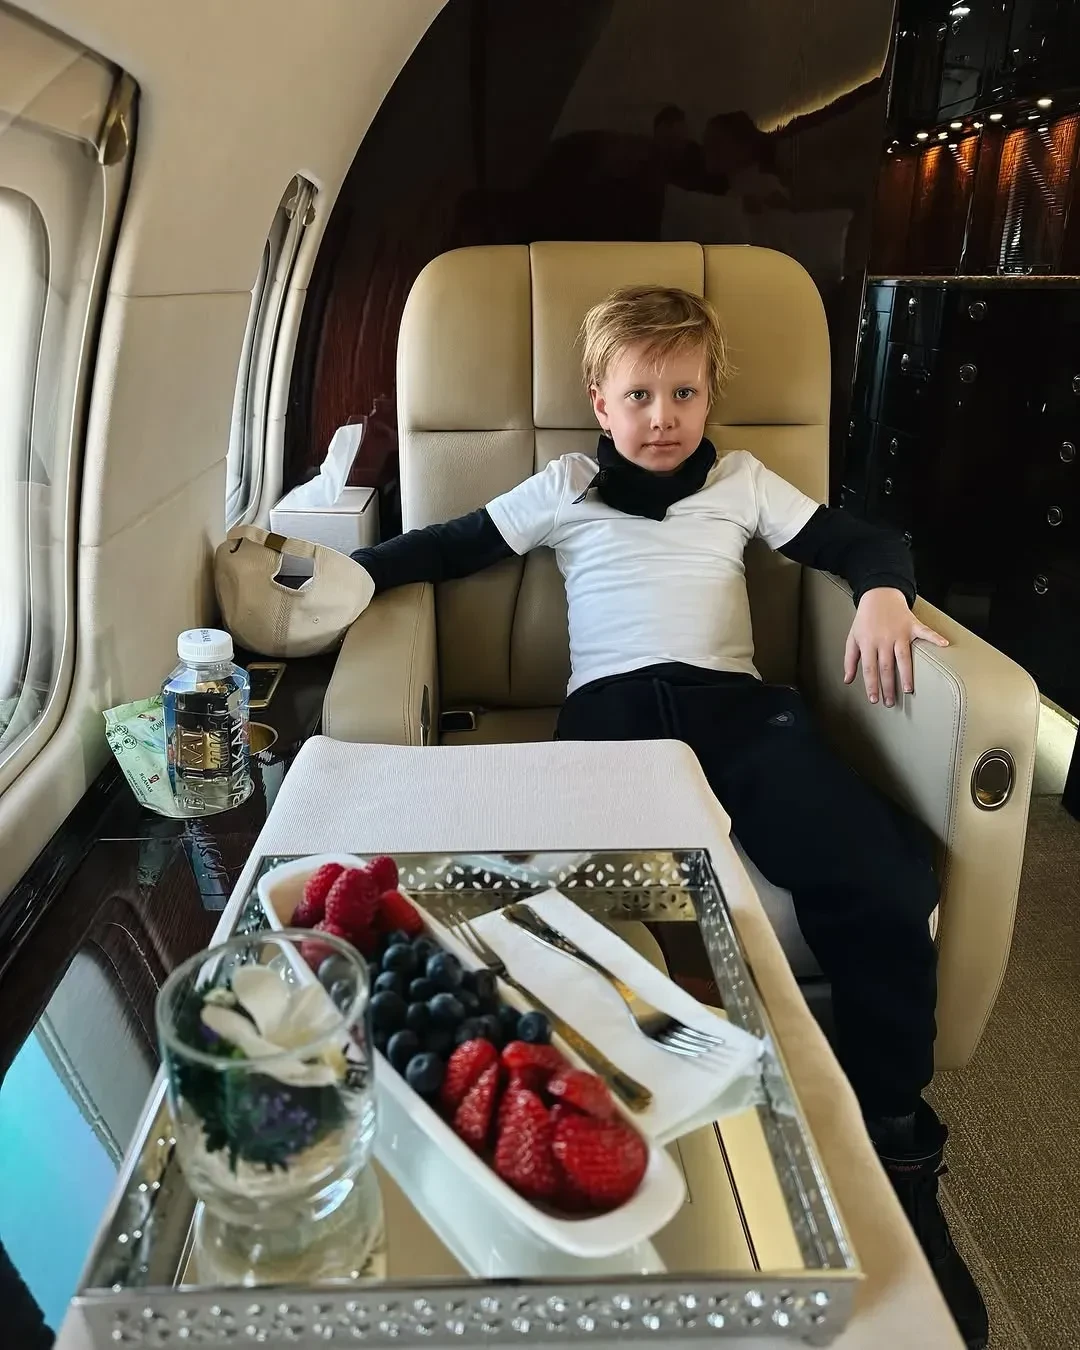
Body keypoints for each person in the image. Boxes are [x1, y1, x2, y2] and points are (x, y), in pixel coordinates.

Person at [352, 285, 988, 1349]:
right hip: (611, 717)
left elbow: (859, 540)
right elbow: (444, 549)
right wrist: (334, 582)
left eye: (684, 393)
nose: (663, 417)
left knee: (883, 880)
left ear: (709, 396)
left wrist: (884, 591)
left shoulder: (740, 483)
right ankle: (603, 1127)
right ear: (599, 401)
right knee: (569, 907)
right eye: (639, 395)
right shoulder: (565, 487)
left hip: (737, 710)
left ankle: (895, 1140)